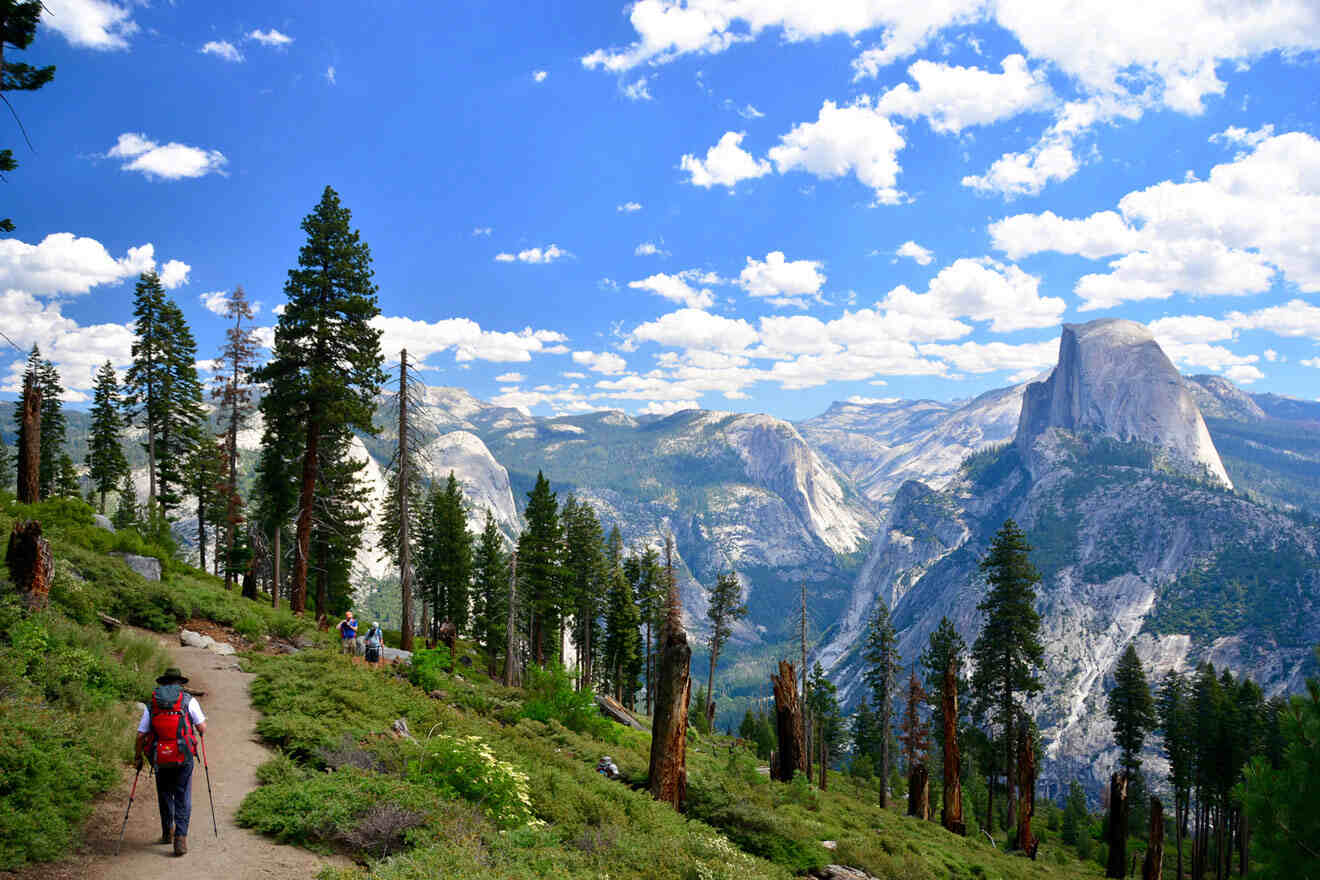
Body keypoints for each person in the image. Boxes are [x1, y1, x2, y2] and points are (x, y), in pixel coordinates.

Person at [135, 666, 206, 857]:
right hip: (183, 755)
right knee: (182, 795)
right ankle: (180, 839)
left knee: (165, 792)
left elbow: (141, 734)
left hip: (160, 756)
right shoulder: (188, 700)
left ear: (163, 683)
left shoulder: (153, 703)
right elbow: (202, 726)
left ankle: (168, 832)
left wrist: (137, 757)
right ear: (180, 683)